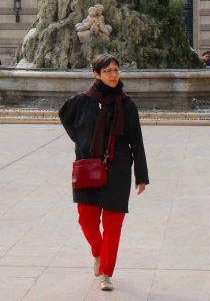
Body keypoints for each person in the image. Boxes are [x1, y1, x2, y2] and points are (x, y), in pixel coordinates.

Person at [59, 54, 149, 293]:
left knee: (113, 224)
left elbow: (136, 142)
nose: (113, 74)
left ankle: (106, 273)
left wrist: (141, 175)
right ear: (96, 74)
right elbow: (65, 116)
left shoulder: (127, 105)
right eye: (107, 70)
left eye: (116, 70)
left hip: (118, 170)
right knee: (86, 220)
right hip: (88, 168)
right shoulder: (81, 101)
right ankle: (98, 252)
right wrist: (82, 141)